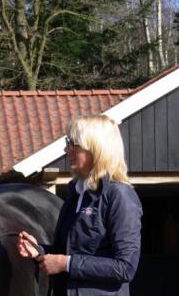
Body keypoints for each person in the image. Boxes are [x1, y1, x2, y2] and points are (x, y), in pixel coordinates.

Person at [17, 115, 142, 296]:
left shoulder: (119, 195)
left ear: (96, 149)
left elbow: (125, 268)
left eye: (73, 144)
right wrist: (40, 251)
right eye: (68, 142)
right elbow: (68, 253)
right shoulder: (75, 193)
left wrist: (65, 263)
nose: (67, 149)